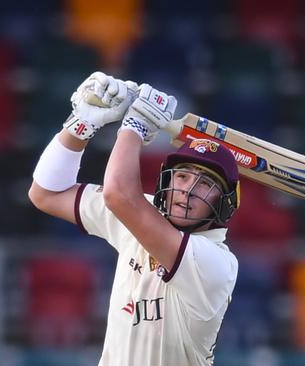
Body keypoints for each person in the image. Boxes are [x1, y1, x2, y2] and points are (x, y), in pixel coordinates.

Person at [28, 71, 241, 366]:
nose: (188, 191)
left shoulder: (214, 262)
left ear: (225, 203)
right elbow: (45, 193)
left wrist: (135, 125)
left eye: (205, 183)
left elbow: (119, 195)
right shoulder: (143, 212)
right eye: (181, 176)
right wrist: (83, 123)